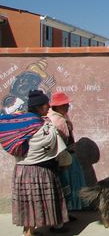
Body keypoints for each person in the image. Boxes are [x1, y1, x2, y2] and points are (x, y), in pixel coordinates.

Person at [11, 90, 69, 236]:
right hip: (40, 170)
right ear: (38, 108)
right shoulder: (45, 128)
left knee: (27, 202)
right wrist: (65, 162)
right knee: (38, 201)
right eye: (46, 105)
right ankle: (30, 233)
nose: (49, 107)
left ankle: (28, 231)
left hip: (21, 170)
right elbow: (59, 151)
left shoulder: (18, 126)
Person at [47, 92, 87, 211]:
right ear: (57, 106)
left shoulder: (59, 117)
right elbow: (63, 140)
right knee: (67, 184)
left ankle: (67, 211)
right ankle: (68, 210)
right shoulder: (58, 120)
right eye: (65, 105)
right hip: (64, 156)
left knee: (66, 185)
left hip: (63, 155)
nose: (67, 107)